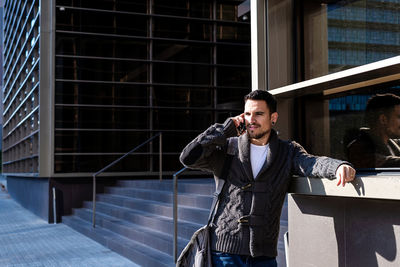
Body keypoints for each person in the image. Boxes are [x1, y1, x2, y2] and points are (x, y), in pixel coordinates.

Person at [180, 90, 356, 267]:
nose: (252, 119)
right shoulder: (228, 148)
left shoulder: (287, 151)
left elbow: (311, 163)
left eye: (259, 114)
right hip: (224, 254)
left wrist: (337, 166)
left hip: (264, 256)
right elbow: (188, 157)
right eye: (247, 113)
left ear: (273, 118)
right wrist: (226, 129)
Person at [347, 93, 400, 168]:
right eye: (399, 117)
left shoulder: (392, 143)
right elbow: (381, 162)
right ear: (383, 119)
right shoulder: (359, 147)